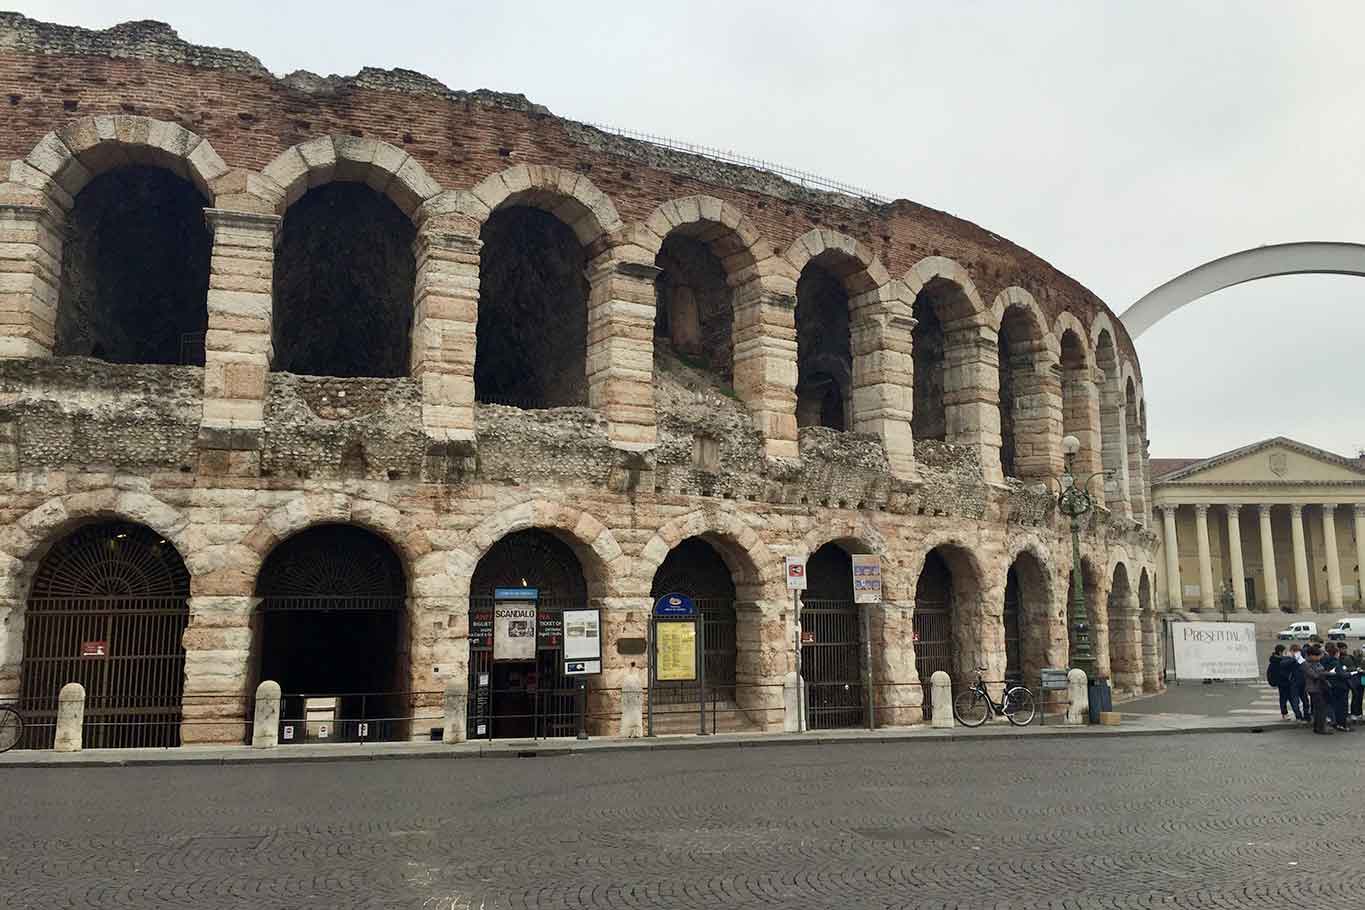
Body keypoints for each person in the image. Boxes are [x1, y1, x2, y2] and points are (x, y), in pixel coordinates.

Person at [1323, 642, 1352, 731]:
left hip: (1332, 686)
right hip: (1340, 686)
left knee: (1335, 705)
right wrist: (1349, 674)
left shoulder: (1326, 661)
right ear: (1336, 653)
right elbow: (1341, 675)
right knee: (1342, 707)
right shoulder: (1336, 663)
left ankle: (1336, 723)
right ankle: (1342, 724)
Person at [1271, 643, 1304, 721]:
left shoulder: (1283, 659)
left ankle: (1297, 715)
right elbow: (1274, 672)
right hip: (1283, 682)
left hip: (1288, 682)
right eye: (1285, 651)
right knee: (1284, 699)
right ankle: (1286, 713)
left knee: (1290, 699)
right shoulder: (1277, 660)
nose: (1287, 653)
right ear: (1280, 652)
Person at [1303, 645, 1331, 735]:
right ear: (1311, 655)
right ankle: (1321, 728)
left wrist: (1326, 673)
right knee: (1320, 709)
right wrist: (1324, 674)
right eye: (1317, 655)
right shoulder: (1306, 664)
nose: (1319, 657)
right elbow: (1314, 675)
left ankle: (1318, 727)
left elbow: (1321, 671)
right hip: (1314, 688)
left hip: (1321, 687)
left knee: (1320, 708)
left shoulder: (1317, 662)